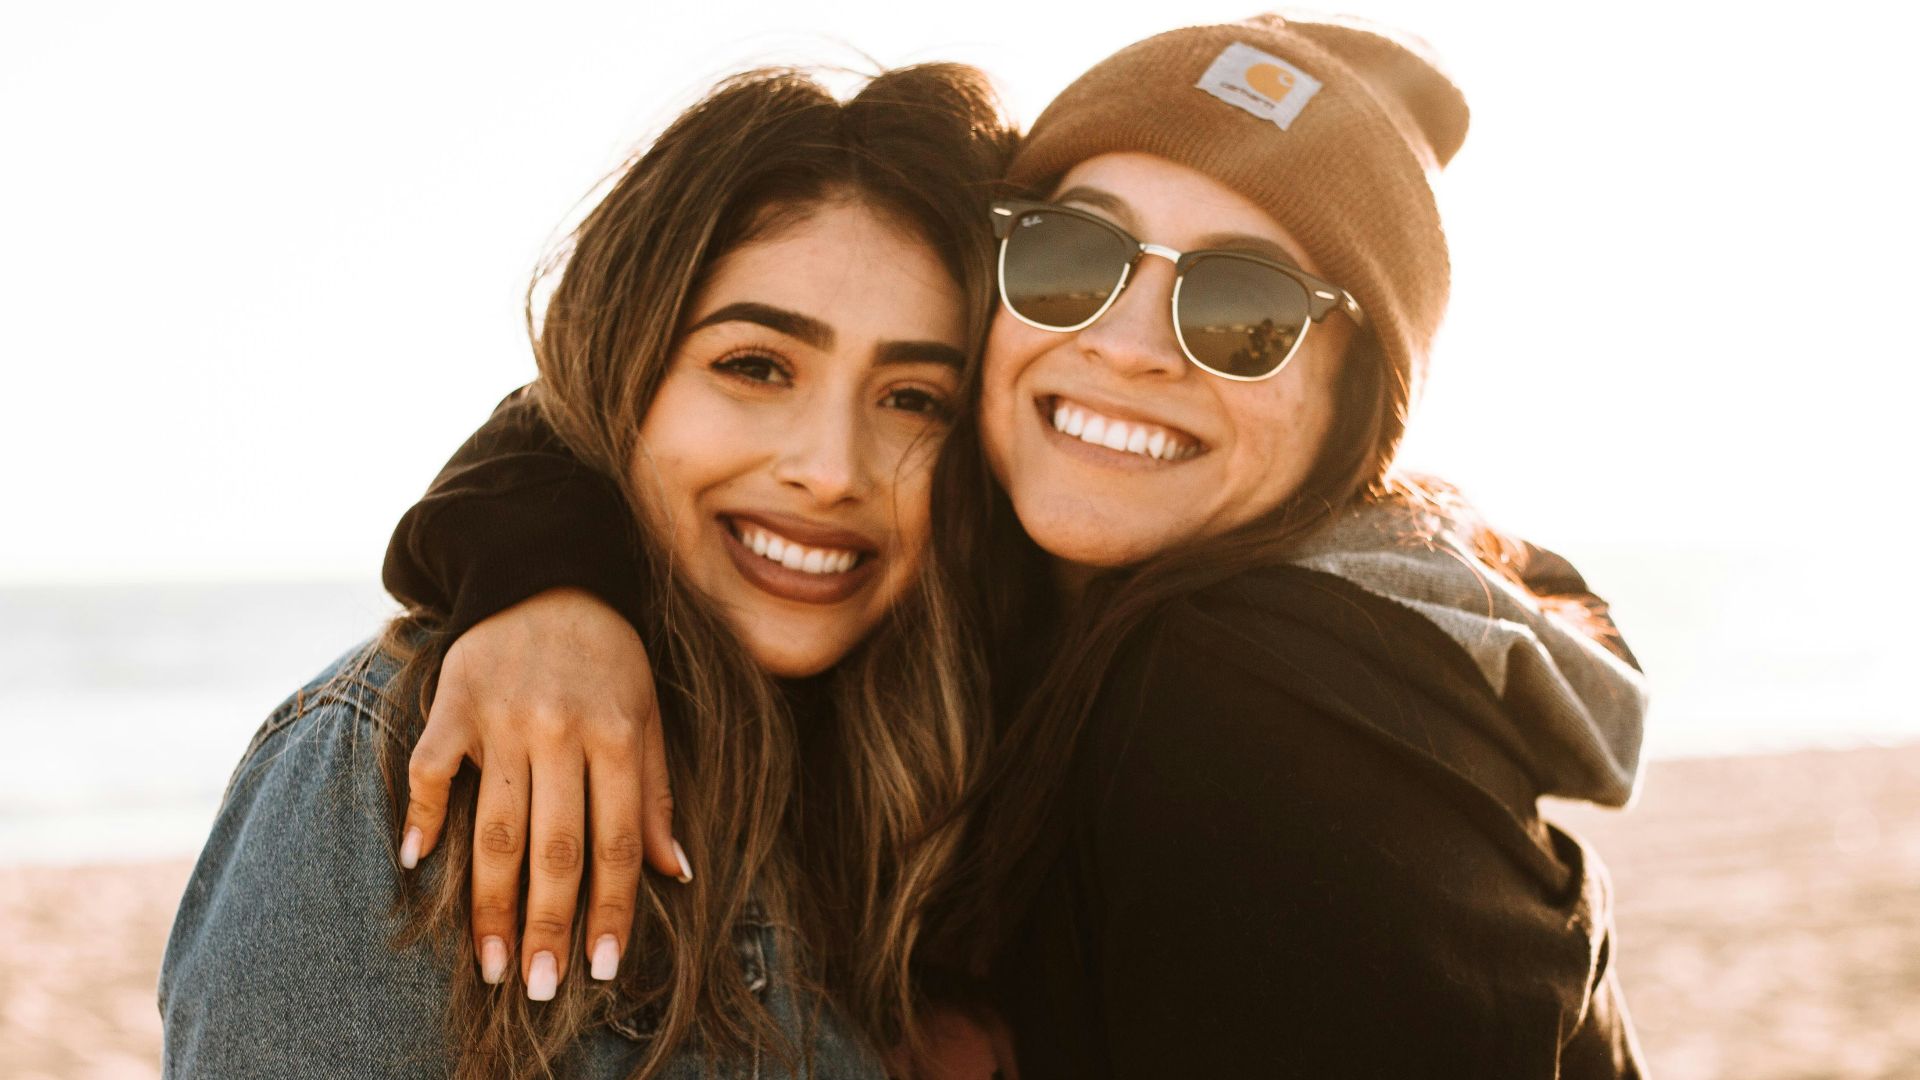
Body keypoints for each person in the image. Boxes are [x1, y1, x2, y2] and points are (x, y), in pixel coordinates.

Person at [379, 13, 1651, 1078]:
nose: (1129, 346)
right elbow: (620, 386)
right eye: (1074, 257)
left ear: (1354, 406)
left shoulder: (1266, 694)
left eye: (1244, 307)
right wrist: (553, 582)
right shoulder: (1007, 551)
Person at [158, 63, 1019, 1079]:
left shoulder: (928, 791)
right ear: (621, 372)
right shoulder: (410, 763)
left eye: (914, 399)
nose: (832, 471)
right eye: (754, 366)